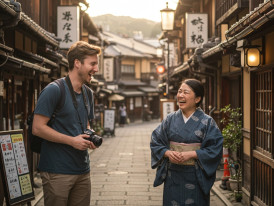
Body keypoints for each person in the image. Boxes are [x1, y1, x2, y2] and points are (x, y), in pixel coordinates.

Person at [32, 41, 101, 206]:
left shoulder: (88, 94)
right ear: (77, 63)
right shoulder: (54, 90)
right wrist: (72, 141)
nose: (96, 69)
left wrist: (90, 136)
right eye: (92, 64)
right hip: (57, 171)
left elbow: (85, 124)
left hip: (83, 170)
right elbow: (37, 128)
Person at [150, 79, 223, 206]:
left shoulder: (207, 122)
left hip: (196, 176)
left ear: (197, 99)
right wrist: (167, 152)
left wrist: (192, 154)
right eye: (179, 91)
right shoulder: (170, 119)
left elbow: (215, 148)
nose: (180, 95)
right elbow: (155, 140)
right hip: (173, 175)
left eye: (186, 92)